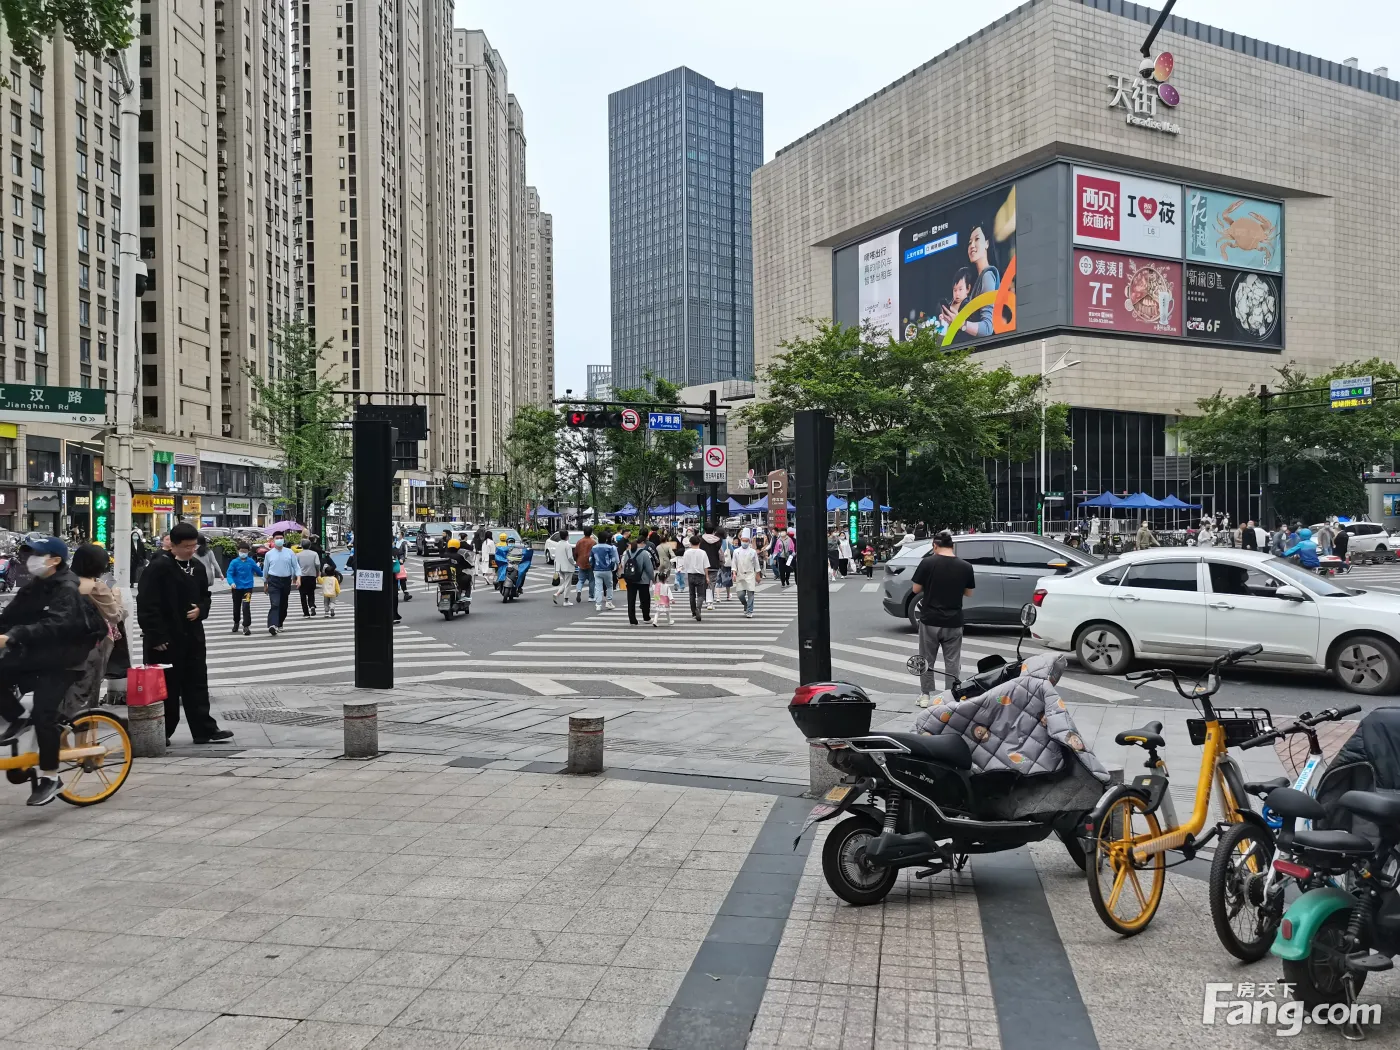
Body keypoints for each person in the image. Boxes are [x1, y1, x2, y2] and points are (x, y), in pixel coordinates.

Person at [137, 522, 233, 746]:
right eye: (187, 546)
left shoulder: (197, 567)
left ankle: (204, 729)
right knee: (167, 687)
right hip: (166, 638)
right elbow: (147, 604)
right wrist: (156, 636)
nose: (191, 550)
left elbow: (205, 596)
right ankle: (162, 731)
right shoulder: (158, 567)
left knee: (197, 682)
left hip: (193, 635)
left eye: (194, 546)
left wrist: (201, 610)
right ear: (173, 545)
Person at [910, 530, 975, 705]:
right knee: (952, 661)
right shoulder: (965, 566)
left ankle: (925, 695)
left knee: (926, 659)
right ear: (952, 546)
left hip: (930, 619)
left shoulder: (927, 563)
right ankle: (950, 696)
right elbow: (969, 592)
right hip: (954, 621)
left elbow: (915, 589)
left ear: (935, 546)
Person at [64, 542, 125, 715]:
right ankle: (83, 728)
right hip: (91, 643)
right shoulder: (96, 586)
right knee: (88, 691)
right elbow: (115, 615)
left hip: (63, 643)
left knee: (67, 690)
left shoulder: (64, 580)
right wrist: (118, 598)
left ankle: (61, 726)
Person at [261, 531, 299, 635]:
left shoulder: (289, 552)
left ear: (284, 539)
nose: (279, 540)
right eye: (277, 538)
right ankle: (272, 625)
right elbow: (265, 570)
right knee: (275, 603)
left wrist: (298, 578)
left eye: (281, 538)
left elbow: (296, 566)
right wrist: (265, 584)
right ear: (273, 540)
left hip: (286, 580)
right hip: (273, 580)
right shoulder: (269, 554)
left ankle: (279, 623)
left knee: (283, 604)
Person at [224, 543, 263, 635]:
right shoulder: (234, 562)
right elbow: (229, 574)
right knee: (236, 607)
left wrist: (267, 575)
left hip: (247, 588)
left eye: (245, 551)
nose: (243, 553)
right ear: (238, 551)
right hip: (236, 588)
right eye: (241, 551)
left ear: (248, 552)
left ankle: (246, 626)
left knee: (246, 606)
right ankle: (236, 622)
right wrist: (231, 582)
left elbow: (259, 572)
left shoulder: (251, 562)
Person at [622, 537, 655, 626]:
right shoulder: (644, 553)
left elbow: (624, 565)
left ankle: (632, 619)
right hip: (643, 580)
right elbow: (649, 568)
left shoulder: (627, 553)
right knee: (645, 599)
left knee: (631, 599)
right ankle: (646, 617)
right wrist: (653, 579)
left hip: (630, 580)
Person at [681, 533, 711, 622]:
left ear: (690, 543)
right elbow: (706, 566)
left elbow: (684, 565)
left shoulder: (687, 552)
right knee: (701, 594)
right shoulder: (703, 552)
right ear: (699, 543)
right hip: (700, 575)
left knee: (692, 594)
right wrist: (707, 577)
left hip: (690, 575)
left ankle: (693, 612)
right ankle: (698, 608)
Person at [733, 532, 760, 618]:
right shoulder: (736, 551)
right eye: (743, 540)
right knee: (740, 595)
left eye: (746, 541)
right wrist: (734, 573)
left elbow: (756, 564)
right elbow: (734, 564)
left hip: (750, 575)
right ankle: (745, 604)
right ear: (740, 540)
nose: (744, 542)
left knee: (750, 594)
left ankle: (749, 610)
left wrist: (758, 575)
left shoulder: (753, 552)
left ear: (749, 541)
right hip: (740, 575)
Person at [589, 530, 618, 610]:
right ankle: (609, 602)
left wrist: (593, 566)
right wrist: (612, 567)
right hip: (607, 569)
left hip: (597, 569)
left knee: (598, 587)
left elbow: (591, 559)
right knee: (609, 586)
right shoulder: (609, 547)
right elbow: (613, 559)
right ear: (606, 539)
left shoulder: (594, 548)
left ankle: (598, 605)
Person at [548, 529, 576, 605]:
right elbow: (570, 557)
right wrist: (574, 563)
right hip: (568, 567)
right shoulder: (568, 545)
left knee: (566, 582)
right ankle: (565, 601)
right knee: (568, 584)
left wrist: (556, 569)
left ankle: (557, 594)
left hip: (559, 567)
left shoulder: (557, 544)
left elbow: (556, 556)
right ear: (567, 536)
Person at [699, 526, 723, 609]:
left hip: (703, 565)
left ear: (705, 530)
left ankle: (705, 599)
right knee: (712, 583)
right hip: (714, 564)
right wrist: (722, 562)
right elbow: (720, 553)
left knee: (704, 583)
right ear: (713, 531)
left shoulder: (700, 540)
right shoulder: (718, 540)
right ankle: (709, 602)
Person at [296, 541, 321, 617]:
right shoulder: (314, 554)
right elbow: (317, 564)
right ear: (310, 545)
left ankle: (306, 613)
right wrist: (317, 572)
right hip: (312, 576)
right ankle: (312, 605)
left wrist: (294, 577)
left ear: (301, 546)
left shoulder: (298, 555)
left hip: (301, 577)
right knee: (311, 593)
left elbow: (295, 567)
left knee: (302, 595)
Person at [573, 526, 596, 605]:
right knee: (592, 580)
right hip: (590, 563)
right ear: (591, 532)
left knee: (581, 579)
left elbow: (576, 552)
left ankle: (579, 590)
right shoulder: (593, 542)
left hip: (581, 562)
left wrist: (577, 560)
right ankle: (591, 596)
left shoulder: (579, 541)